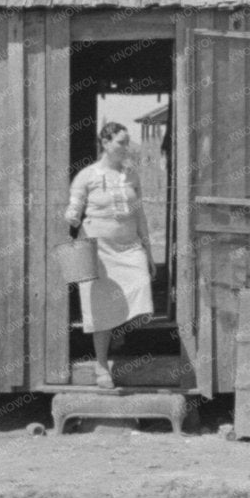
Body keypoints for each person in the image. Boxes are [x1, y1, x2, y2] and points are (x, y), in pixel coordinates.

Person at [65, 121, 154, 389]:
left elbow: (139, 214)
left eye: (128, 142)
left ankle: (120, 329)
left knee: (143, 291)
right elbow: (75, 207)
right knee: (100, 308)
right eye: (121, 142)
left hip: (129, 248)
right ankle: (101, 368)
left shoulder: (131, 176)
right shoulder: (87, 175)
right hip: (98, 250)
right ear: (105, 143)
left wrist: (148, 251)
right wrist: (71, 215)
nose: (126, 147)